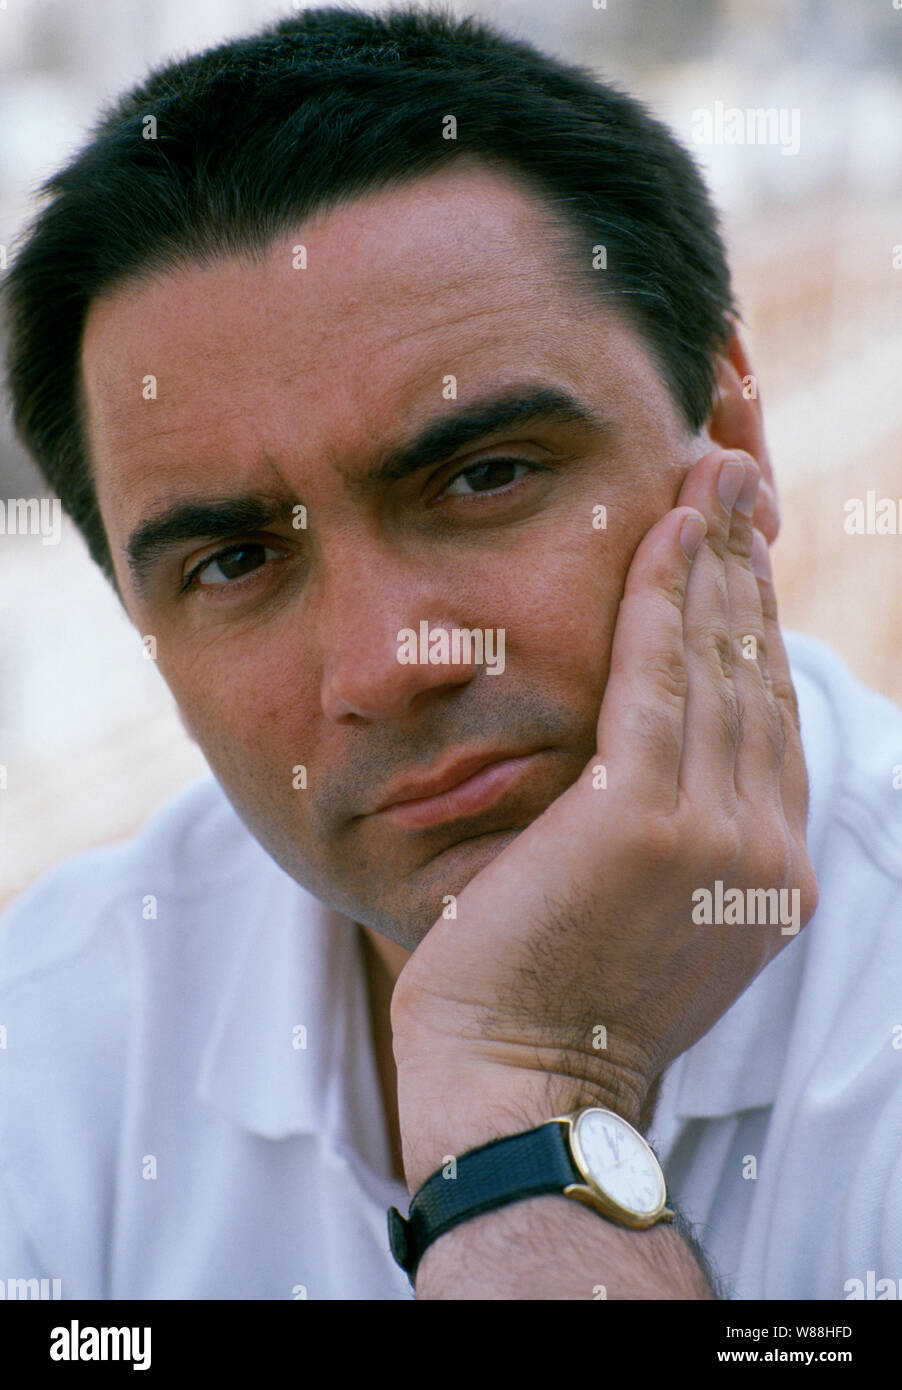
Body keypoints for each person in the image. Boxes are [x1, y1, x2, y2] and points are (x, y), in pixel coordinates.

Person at [1, 6, 900, 1301]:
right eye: (236, 561)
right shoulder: (52, 1055)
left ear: (728, 430)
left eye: (482, 476)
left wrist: (523, 1116)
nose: (385, 661)